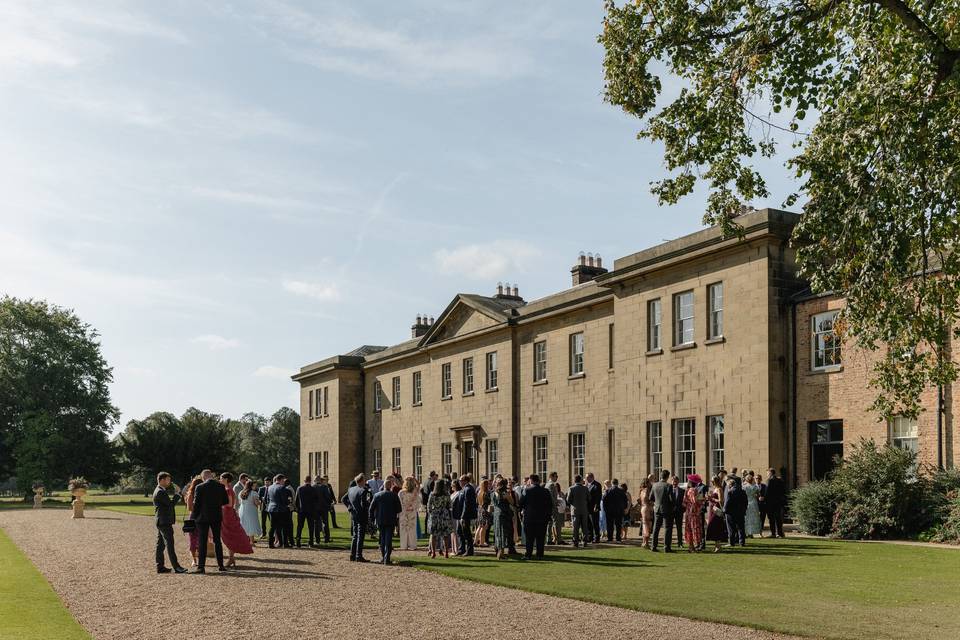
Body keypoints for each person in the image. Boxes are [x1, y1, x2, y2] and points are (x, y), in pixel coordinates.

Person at [191, 469, 228, 573]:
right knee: (217, 541)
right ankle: (221, 565)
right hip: (216, 516)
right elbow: (225, 501)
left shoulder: (200, 487)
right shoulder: (221, 486)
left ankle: (201, 567)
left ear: (203, 477)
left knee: (202, 541)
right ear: (211, 476)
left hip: (203, 517)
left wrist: (194, 517)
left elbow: (196, 504)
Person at [152, 472, 186, 574]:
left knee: (160, 545)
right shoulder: (160, 492)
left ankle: (160, 567)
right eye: (167, 480)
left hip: (161, 521)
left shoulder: (160, 491)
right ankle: (176, 567)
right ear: (161, 480)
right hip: (164, 522)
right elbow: (170, 505)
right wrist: (177, 493)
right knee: (169, 544)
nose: (169, 482)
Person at [218, 473, 254, 567]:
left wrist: (218, 504)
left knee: (229, 536)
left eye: (221, 478)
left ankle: (231, 558)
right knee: (228, 536)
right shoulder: (226, 489)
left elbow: (229, 504)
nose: (219, 480)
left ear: (226, 479)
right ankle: (231, 558)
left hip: (227, 514)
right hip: (226, 514)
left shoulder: (228, 490)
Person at [369, 477, 402, 564]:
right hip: (391, 520)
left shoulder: (377, 495)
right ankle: (387, 558)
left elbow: (371, 509)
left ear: (383, 486)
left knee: (382, 538)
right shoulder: (394, 495)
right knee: (388, 539)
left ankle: (384, 557)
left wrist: (372, 518)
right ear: (390, 486)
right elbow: (399, 509)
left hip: (380, 520)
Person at [519, 474, 553, 560]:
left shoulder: (527, 490)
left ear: (531, 480)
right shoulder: (545, 491)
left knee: (529, 538)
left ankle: (528, 554)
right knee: (540, 538)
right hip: (542, 518)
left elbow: (520, 503)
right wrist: (548, 517)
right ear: (538, 480)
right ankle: (539, 555)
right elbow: (550, 505)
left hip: (529, 518)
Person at [343, 474, 371, 562]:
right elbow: (364, 505)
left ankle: (352, 555)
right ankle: (359, 556)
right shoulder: (363, 490)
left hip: (354, 514)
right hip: (361, 515)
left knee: (355, 535)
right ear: (362, 481)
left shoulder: (351, 489)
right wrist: (369, 504)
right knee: (360, 536)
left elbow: (343, 499)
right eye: (364, 480)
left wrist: (350, 507)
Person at [427, 478, 453, 558]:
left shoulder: (432, 494)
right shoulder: (447, 494)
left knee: (434, 534)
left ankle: (434, 552)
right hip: (444, 514)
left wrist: (431, 512)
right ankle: (446, 553)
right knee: (445, 534)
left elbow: (429, 506)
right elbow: (450, 505)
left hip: (435, 515)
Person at [490, 478, 516, 558]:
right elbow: (512, 502)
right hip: (504, 514)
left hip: (496, 514)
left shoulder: (493, 493)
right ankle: (501, 553)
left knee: (498, 533)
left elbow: (493, 504)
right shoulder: (505, 493)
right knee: (503, 533)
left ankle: (498, 551)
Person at [650, 470, 675, 552]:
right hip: (667, 509)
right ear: (667, 477)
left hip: (657, 509)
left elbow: (651, 498)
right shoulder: (668, 486)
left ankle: (653, 546)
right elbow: (672, 499)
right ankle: (666, 547)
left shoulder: (655, 485)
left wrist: (657, 503)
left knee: (656, 528)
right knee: (667, 528)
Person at [266, 474, 293, 549]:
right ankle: (285, 543)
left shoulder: (270, 487)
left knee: (273, 527)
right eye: (283, 480)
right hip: (281, 509)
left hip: (271, 508)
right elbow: (284, 500)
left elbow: (268, 498)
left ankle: (270, 544)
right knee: (284, 527)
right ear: (281, 479)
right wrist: (288, 501)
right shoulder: (282, 488)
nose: (284, 482)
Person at [567, 474, 591, 548]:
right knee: (584, 527)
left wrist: (574, 504)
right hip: (584, 510)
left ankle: (575, 542)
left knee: (575, 527)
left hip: (575, 510)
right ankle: (585, 542)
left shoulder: (571, 488)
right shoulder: (585, 488)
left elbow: (568, 500)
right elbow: (589, 498)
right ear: (580, 480)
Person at [682, 474, 704, 552]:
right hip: (694, 512)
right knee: (695, 528)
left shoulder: (687, 490)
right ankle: (695, 546)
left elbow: (684, 503)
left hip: (688, 512)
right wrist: (702, 501)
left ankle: (690, 547)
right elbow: (695, 501)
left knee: (689, 529)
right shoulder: (695, 490)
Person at [705, 475, 727, 552]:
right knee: (713, 526)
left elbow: (721, 501)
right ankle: (717, 546)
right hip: (712, 509)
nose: (711, 482)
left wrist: (712, 498)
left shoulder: (719, 489)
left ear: (715, 481)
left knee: (715, 526)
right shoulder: (714, 489)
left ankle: (718, 546)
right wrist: (709, 498)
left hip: (717, 510)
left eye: (712, 481)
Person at [295, 475, 319, 548]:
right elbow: (317, 500)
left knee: (300, 526)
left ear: (304, 481)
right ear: (310, 481)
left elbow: (296, 501)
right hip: (311, 510)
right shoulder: (313, 489)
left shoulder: (299, 488)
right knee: (311, 527)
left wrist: (298, 508)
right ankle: (311, 542)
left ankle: (298, 541)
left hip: (301, 510)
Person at [183, 476, 202, 567]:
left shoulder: (202, 494)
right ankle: (195, 559)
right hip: (195, 517)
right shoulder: (191, 494)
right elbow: (189, 508)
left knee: (199, 539)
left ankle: (197, 559)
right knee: (194, 539)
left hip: (200, 517)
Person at [237, 479, 263, 545]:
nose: (255, 487)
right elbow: (256, 503)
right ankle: (251, 541)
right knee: (251, 524)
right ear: (251, 486)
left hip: (243, 509)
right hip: (251, 510)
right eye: (254, 486)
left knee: (244, 523)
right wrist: (261, 502)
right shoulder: (254, 493)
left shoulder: (241, 492)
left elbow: (240, 502)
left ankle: (245, 541)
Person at [724, 477, 747, 548]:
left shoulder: (730, 492)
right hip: (740, 512)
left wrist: (724, 510)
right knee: (741, 528)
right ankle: (742, 542)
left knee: (731, 528)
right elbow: (746, 502)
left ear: (730, 485)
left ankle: (731, 542)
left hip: (731, 513)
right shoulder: (742, 491)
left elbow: (727, 502)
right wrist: (744, 510)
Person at [398, 476, 419, 551]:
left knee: (404, 529)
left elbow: (399, 503)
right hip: (412, 512)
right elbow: (417, 502)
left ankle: (404, 546)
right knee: (412, 529)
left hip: (403, 512)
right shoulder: (415, 492)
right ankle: (413, 545)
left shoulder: (401, 492)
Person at [764, 467, 786, 538]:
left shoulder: (769, 480)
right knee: (778, 518)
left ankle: (773, 533)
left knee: (771, 518)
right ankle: (780, 533)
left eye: (767, 473)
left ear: (770, 473)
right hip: (778, 502)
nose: (767, 474)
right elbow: (783, 491)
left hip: (770, 503)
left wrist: (764, 500)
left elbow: (767, 492)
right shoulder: (780, 480)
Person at [545, 471, 566, 545]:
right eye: (555, 476)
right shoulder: (551, 485)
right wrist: (555, 503)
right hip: (552, 507)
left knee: (550, 523)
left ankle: (549, 539)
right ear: (551, 477)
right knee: (556, 523)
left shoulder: (548, 484)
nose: (557, 478)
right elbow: (551, 497)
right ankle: (558, 539)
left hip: (549, 506)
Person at [313, 476, 332, 544]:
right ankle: (326, 538)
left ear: (315, 480)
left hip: (315, 508)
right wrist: (328, 504)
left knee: (316, 523)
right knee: (325, 523)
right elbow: (328, 497)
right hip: (324, 507)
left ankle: (317, 539)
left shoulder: (313, 487)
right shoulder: (324, 487)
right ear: (320, 480)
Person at [473, 478, 492, 549]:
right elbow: (490, 502)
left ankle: (475, 541)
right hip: (485, 510)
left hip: (480, 510)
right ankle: (481, 542)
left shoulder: (479, 492)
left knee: (479, 526)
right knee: (483, 527)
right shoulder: (487, 493)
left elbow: (477, 502)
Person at [743, 471, 762, 537]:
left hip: (747, 502)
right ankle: (751, 533)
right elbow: (758, 495)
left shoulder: (744, 487)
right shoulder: (755, 487)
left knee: (747, 518)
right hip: (753, 502)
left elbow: (743, 495)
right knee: (753, 517)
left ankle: (747, 532)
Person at [638, 476, 654, 547]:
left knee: (644, 524)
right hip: (648, 508)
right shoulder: (647, 490)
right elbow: (649, 500)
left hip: (643, 508)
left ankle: (644, 542)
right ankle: (646, 543)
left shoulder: (641, 490)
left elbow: (640, 500)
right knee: (648, 525)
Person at [586, 473, 602, 543]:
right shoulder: (587, 485)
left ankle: (597, 538)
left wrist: (596, 506)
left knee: (595, 523)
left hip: (594, 507)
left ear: (592, 477)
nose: (586, 479)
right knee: (589, 523)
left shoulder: (597, 485)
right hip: (588, 508)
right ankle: (590, 537)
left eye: (587, 478)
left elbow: (598, 497)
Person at [670, 475, 686, 548]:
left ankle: (680, 543)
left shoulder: (682, 491)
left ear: (678, 482)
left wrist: (683, 510)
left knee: (679, 528)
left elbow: (684, 502)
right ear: (671, 481)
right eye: (673, 480)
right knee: (669, 528)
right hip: (670, 512)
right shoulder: (668, 490)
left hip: (679, 512)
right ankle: (668, 543)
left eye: (676, 481)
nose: (674, 482)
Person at [756, 472, 768, 536]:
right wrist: (758, 497)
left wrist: (764, 498)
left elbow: (767, 494)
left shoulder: (764, 486)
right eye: (756, 478)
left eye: (759, 478)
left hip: (763, 504)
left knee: (762, 518)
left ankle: (760, 531)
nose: (757, 479)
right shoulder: (753, 486)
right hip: (755, 504)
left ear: (761, 479)